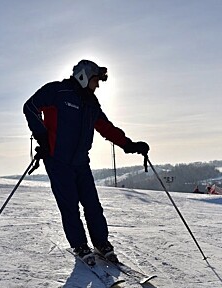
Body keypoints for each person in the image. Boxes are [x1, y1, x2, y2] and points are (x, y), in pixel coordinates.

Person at [23, 59, 149, 266]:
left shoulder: (91, 103)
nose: (97, 85)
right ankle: (80, 244)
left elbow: (106, 128)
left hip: (81, 162)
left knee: (92, 204)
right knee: (70, 205)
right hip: (58, 160)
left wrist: (129, 145)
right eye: (95, 80)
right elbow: (30, 107)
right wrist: (43, 138)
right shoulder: (57, 91)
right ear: (83, 76)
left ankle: (101, 242)